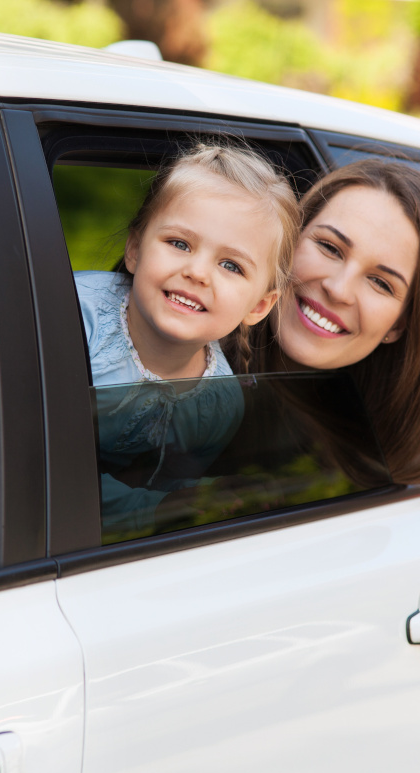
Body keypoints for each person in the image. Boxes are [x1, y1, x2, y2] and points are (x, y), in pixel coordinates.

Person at [74, 141, 300, 535]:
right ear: (134, 249)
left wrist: (190, 500)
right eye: (179, 243)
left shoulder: (219, 405)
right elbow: (37, 459)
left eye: (231, 265)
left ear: (259, 307)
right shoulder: (73, 317)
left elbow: (168, 492)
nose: (197, 272)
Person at [250, 158, 420, 485]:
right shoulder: (178, 351)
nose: (338, 289)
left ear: (399, 325)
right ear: (289, 239)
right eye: (329, 247)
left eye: (381, 283)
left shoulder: (382, 468)